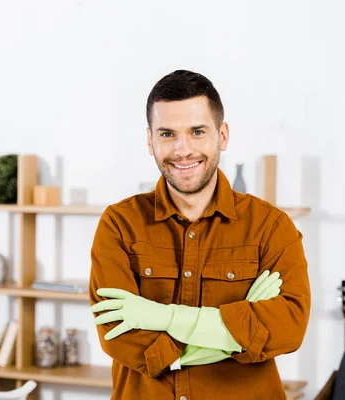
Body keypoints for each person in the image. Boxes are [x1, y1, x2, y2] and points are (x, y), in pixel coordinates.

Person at [89, 70, 311, 400]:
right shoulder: (119, 225)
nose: (183, 150)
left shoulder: (271, 227)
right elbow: (122, 340)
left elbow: (288, 329)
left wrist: (164, 318)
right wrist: (237, 330)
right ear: (150, 141)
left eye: (197, 131)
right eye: (167, 134)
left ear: (222, 135)